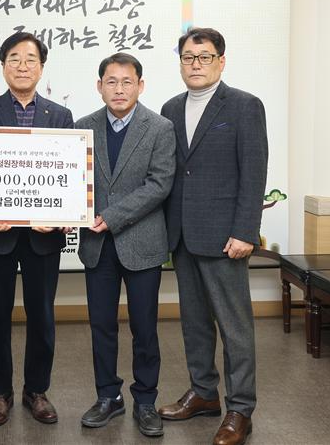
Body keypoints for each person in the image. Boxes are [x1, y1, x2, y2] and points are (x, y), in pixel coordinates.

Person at [158, 27, 268, 445]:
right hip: (183, 235)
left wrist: (245, 231)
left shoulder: (244, 106)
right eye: (188, 57)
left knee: (234, 327)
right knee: (194, 322)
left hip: (226, 238)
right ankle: (204, 393)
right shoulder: (170, 108)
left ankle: (240, 408)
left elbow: (254, 172)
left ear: (221, 61)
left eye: (204, 57)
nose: (195, 64)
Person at [0, 31, 74, 426]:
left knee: (42, 316)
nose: (22, 66)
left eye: (30, 59)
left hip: (44, 237)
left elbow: (67, 176)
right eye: (14, 58)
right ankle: (0, 392)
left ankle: (36, 390)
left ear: (42, 68)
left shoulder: (60, 116)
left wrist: (60, 214)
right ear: (3, 66)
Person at [76, 53, 175, 437]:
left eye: (127, 81)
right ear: (99, 86)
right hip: (96, 246)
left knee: (144, 327)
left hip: (142, 243)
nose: (119, 89)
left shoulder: (160, 128)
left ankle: (145, 400)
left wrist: (112, 216)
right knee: (101, 325)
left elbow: (159, 184)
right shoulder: (82, 128)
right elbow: (72, 182)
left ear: (140, 85)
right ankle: (108, 396)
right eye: (111, 81)